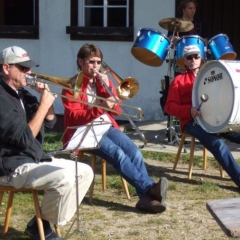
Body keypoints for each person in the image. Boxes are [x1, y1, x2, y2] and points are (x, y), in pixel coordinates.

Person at [61, 43, 168, 214]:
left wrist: (107, 88)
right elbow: (75, 118)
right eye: (91, 62)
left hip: (104, 125)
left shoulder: (103, 81)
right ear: (80, 61)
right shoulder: (70, 85)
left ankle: (145, 197)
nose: (95, 66)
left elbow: (116, 112)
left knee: (135, 152)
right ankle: (149, 188)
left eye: (98, 62)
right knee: (118, 154)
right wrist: (102, 107)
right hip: (82, 131)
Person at [0, 46, 94, 240]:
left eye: (29, 68)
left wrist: (47, 100)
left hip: (33, 158)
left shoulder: (23, 94)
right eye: (23, 68)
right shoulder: (2, 98)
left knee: (84, 171)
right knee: (64, 178)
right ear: (6, 68)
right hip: (11, 165)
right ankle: (42, 226)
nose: (29, 72)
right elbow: (25, 138)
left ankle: (40, 223)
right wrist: (42, 104)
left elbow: (50, 122)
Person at [165, 44, 240, 188]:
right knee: (218, 144)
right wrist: (189, 110)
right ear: (184, 61)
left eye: (196, 56)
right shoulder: (178, 81)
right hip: (191, 122)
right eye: (189, 57)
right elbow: (169, 107)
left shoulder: (211, 75)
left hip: (214, 119)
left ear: (201, 58)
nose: (193, 59)